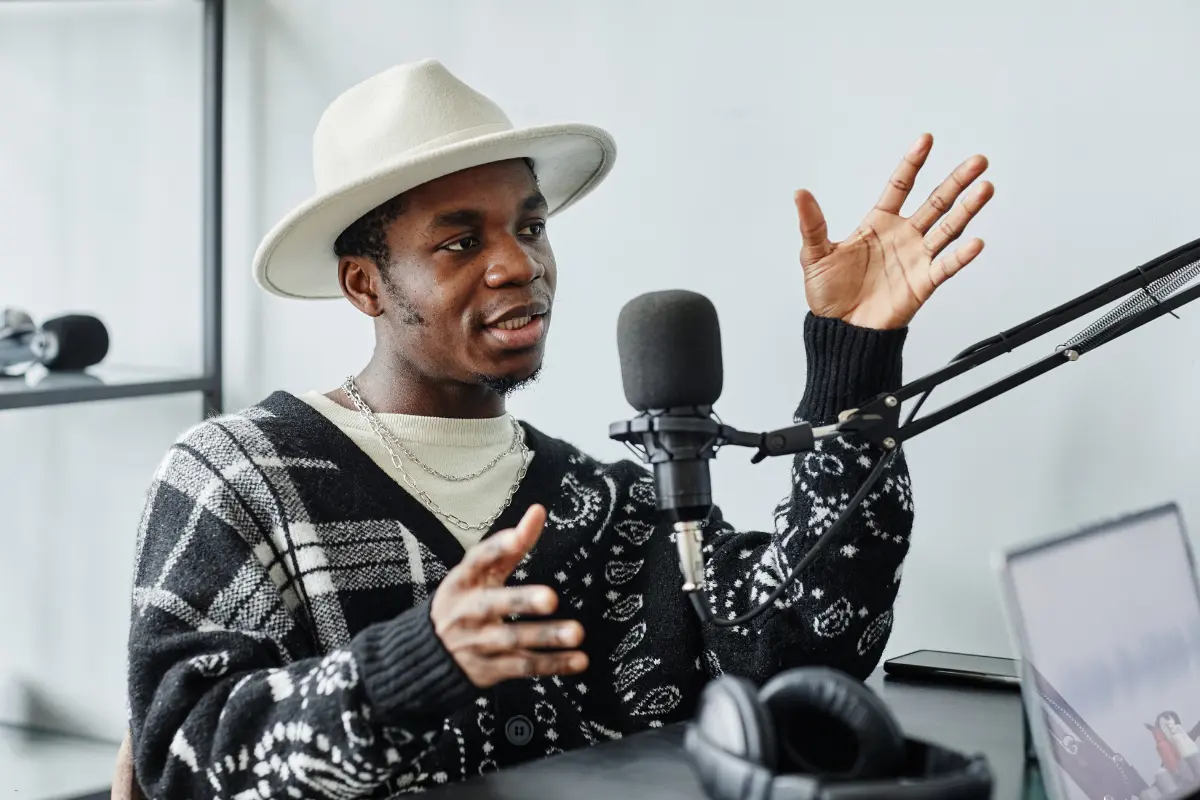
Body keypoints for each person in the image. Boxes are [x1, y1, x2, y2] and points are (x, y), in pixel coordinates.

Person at [125, 58, 993, 798]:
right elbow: (181, 756)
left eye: (530, 225)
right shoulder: (241, 476)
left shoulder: (603, 502)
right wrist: (416, 662)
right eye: (460, 243)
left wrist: (855, 354)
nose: (520, 264)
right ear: (364, 285)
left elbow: (804, 650)